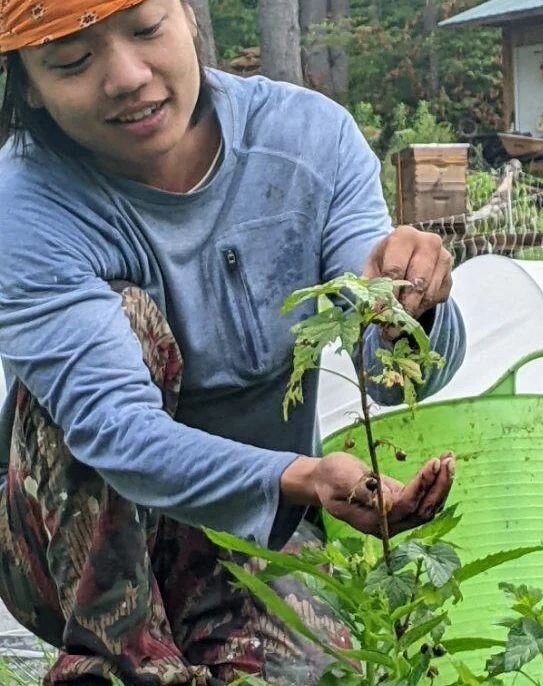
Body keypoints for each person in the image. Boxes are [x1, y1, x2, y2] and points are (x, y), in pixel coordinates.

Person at [0, 0, 466, 683]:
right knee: (129, 320)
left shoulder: (309, 140)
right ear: (29, 89)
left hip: (254, 527)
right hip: (64, 538)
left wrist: (409, 305)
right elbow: (114, 429)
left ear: (189, 15)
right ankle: (117, 663)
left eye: (146, 30)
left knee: (319, 666)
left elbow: (392, 371)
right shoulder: (23, 205)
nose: (127, 76)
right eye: (71, 61)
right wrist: (303, 476)